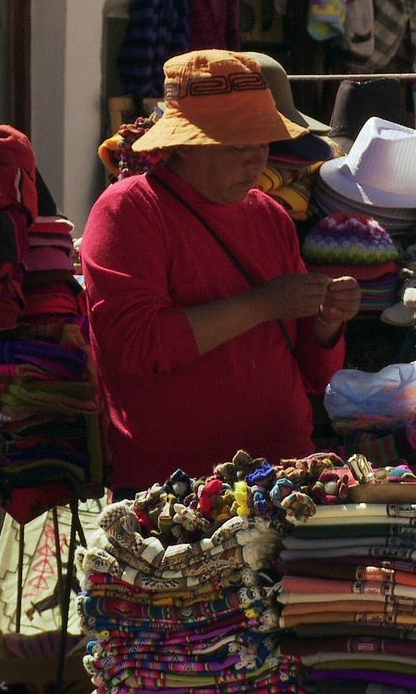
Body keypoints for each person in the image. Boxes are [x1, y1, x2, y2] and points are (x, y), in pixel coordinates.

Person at [81, 50, 360, 492]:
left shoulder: (270, 216)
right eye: (238, 145)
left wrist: (327, 321)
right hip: (175, 491)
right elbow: (136, 345)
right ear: (186, 146)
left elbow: (315, 373)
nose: (256, 161)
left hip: (284, 477)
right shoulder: (128, 210)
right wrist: (265, 303)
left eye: (263, 144)